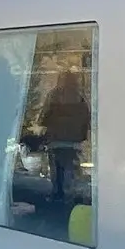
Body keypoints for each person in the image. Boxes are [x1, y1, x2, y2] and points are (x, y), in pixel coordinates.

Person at [39, 69, 91, 201]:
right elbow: (87, 118)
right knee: (70, 168)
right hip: (73, 141)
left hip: (56, 140)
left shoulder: (54, 95)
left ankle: (57, 193)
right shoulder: (79, 97)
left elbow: (44, 117)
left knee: (56, 169)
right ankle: (69, 195)